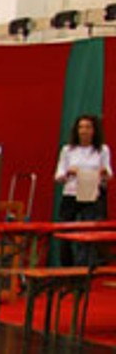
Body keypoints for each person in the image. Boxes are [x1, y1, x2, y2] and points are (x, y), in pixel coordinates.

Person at [55, 113, 111, 266]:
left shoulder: (102, 150)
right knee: (65, 232)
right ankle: (66, 267)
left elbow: (109, 174)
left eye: (88, 127)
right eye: (81, 127)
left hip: (91, 193)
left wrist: (103, 173)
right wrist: (69, 173)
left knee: (88, 232)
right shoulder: (68, 150)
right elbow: (58, 176)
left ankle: (84, 266)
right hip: (71, 193)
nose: (84, 131)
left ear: (94, 130)